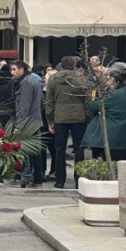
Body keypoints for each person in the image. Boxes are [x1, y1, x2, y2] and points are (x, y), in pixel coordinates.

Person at [46, 56, 90, 189]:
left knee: (60, 149)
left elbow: (49, 101)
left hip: (60, 117)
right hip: (79, 117)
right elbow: (86, 100)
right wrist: (88, 117)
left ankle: (60, 180)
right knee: (79, 149)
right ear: (74, 65)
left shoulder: (53, 78)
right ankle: (79, 180)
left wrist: (50, 120)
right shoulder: (81, 78)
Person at [82, 64, 126, 162]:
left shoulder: (115, 94)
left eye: (107, 77)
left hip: (112, 139)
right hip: (121, 138)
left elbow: (93, 106)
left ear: (113, 79)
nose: (105, 79)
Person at [11, 60, 44, 187]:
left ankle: (26, 178)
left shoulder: (26, 83)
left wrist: (19, 126)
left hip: (27, 123)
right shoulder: (34, 80)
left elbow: (24, 107)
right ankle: (36, 179)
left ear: (21, 70)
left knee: (25, 151)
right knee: (35, 152)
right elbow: (42, 103)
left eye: (14, 69)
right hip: (35, 121)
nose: (12, 72)